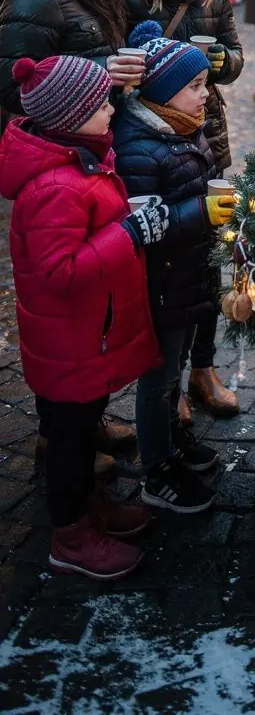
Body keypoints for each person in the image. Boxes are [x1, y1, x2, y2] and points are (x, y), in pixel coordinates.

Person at [0, 54, 169, 580]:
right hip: (70, 340)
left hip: (83, 335)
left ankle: (90, 508)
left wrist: (126, 217)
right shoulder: (54, 186)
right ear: (68, 117)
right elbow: (61, 272)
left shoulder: (82, 158)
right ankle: (70, 536)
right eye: (100, 103)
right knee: (70, 442)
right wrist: (130, 233)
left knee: (82, 424)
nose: (111, 109)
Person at [0, 0, 142, 468]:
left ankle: (91, 411)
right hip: (57, 165)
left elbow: (101, 47)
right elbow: (14, 85)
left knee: (97, 301)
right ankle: (59, 433)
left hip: (93, 151)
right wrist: (96, 77)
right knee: (63, 305)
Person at [119, 0, 243, 419]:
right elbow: (121, 57)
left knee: (209, 252)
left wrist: (223, 62)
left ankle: (203, 368)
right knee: (165, 258)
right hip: (154, 132)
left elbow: (236, 55)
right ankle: (164, 381)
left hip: (205, 129)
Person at [113, 22, 237, 516]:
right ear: (164, 92)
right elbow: (147, 225)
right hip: (160, 284)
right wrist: (201, 215)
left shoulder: (186, 130)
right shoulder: (141, 149)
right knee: (159, 377)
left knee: (179, 364)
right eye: (195, 87)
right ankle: (156, 469)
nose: (205, 95)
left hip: (187, 276)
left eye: (204, 85)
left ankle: (175, 441)